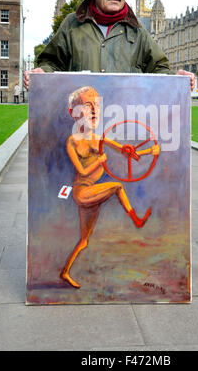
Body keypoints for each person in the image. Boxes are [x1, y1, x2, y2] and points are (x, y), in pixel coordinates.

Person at [24, 0, 195, 90]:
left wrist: (175, 77)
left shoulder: (138, 31)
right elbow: (51, 62)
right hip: (82, 122)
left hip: (123, 122)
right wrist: (42, 73)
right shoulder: (72, 24)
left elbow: (159, 68)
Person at [61, 86, 160, 288]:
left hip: (92, 194)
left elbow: (127, 151)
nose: (95, 110)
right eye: (88, 106)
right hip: (82, 192)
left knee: (84, 240)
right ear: (74, 113)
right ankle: (137, 220)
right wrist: (100, 161)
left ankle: (65, 272)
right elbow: (82, 170)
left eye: (97, 105)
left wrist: (151, 150)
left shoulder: (99, 139)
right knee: (116, 186)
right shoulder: (73, 141)